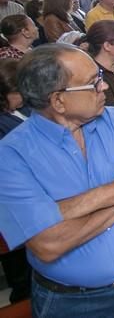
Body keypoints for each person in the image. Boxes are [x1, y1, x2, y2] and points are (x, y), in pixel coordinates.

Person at [0, 44, 114, 317]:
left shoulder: (113, 119)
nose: (103, 88)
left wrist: (65, 209)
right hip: (73, 301)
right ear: (58, 101)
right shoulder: (10, 156)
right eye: (94, 83)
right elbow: (49, 244)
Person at [0, 58, 31, 304]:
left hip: (34, 194)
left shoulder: (24, 108)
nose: (22, 94)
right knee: (21, 269)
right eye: (16, 91)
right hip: (13, 201)